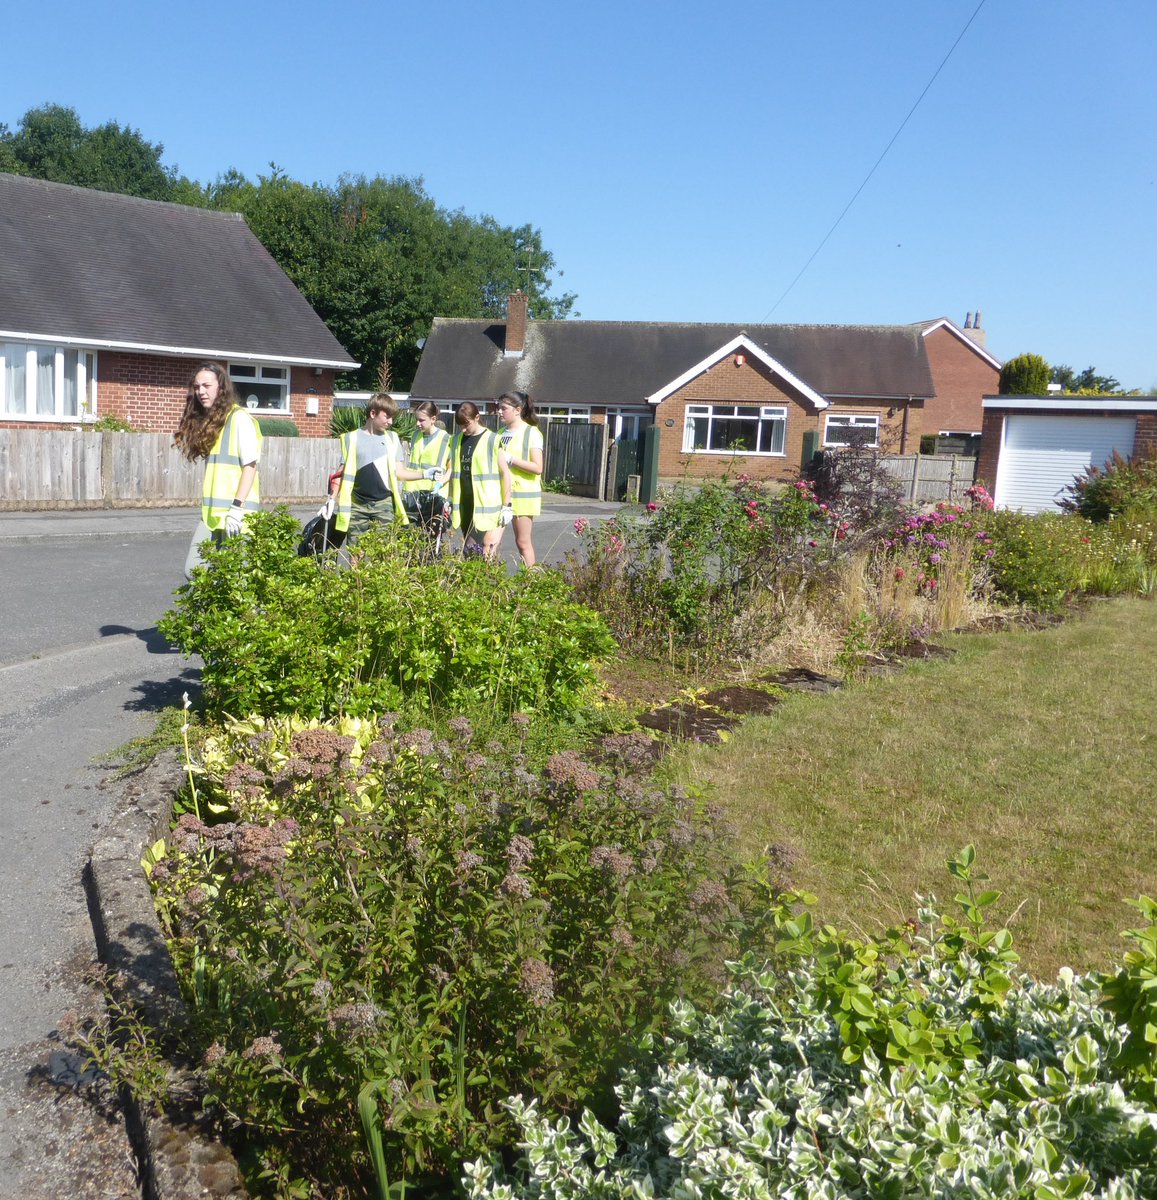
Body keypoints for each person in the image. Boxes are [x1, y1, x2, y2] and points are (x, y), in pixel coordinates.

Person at [174, 362, 261, 579]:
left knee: (237, 581)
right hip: (212, 516)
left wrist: (236, 508)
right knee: (195, 571)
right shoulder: (213, 423)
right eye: (197, 387)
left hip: (237, 516)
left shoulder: (239, 419)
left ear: (221, 388)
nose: (201, 391)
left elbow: (250, 467)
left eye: (206, 385)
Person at [331, 394, 438, 543]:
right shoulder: (351, 438)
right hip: (357, 504)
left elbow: (399, 473)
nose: (391, 421)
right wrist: (330, 499)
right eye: (387, 417)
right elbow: (340, 473)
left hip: (384, 504)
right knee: (355, 552)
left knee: (383, 553)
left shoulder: (393, 439)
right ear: (373, 413)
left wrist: (425, 474)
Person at [447, 402, 513, 559]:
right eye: (460, 425)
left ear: (477, 417)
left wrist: (507, 505)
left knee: (471, 548)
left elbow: (505, 473)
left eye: (466, 424)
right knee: (472, 553)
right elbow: (453, 472)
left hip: (485, 505)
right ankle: (479, 581)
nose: (463, 429)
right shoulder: (456, 440)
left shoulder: (491, 439)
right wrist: (448, 499)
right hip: (464, 504)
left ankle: (478, 580)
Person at [496, 390, 545, 567]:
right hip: (501, 494)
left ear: (517, 409)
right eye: (499, 408)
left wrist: (510, 459)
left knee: (522, 542)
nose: (499, 412)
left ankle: (530, 583)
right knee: (491, 543)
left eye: (503, 408)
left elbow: (538, 468)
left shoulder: (531, 433)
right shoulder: (500, 433)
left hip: (523, 495)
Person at [401, 401, 452, 532]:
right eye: (416, 419)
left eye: (421, 420)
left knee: (432, 539)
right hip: (413, 495)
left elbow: (451, 469)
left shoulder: (446, 439)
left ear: (433, 419)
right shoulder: (415, 435)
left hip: (434, 496)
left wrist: (440, 483)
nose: (418, 423)